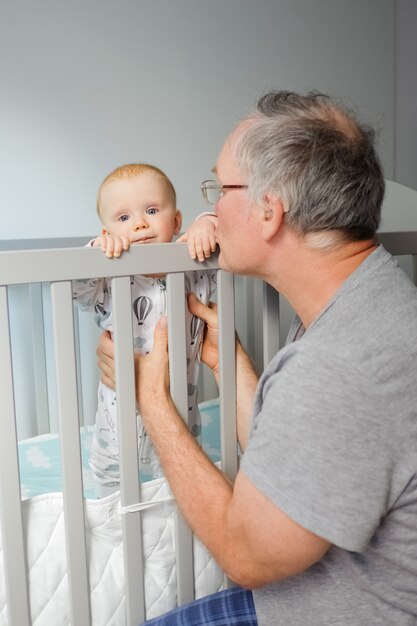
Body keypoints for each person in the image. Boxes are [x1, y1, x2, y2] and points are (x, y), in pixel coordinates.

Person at [97, 92, 417, 625]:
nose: (212, 208)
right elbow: (300, 457)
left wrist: (149, 399)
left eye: (219, 188)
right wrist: (230, 362)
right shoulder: (365, 302)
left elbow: (246, 554)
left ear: (269, 211)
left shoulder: (338, 364)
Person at [73, 163, 217, 496]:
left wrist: (207, 223)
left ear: (177, 221)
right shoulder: (109, 280)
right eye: (123, 218)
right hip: (118, 417)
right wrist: (95, 253)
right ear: (107, 231)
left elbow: (226, 239)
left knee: (180, 478)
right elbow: (78, 288)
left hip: (181, 410)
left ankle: (176, 537)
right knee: (110, 478)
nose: (139, 223)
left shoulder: (195, 267)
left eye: (152, 210)